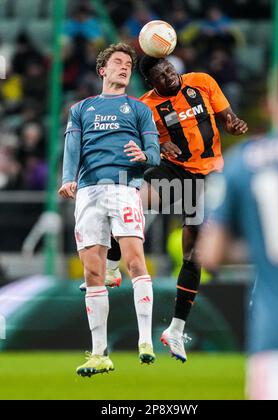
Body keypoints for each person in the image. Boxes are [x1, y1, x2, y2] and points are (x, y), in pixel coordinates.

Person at [102, 55, 248, 363]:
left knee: (193, 257)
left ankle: (176, 330)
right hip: (174, 171)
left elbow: (228, 119)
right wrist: (154, 145)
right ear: (152, 84)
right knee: (131, 197)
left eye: (170, 70)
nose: (170, 77)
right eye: (162, 76)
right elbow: (131, 144)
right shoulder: (146, 106)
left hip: (208, 179)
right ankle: (112, 264)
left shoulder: (202, 83)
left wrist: (234, 124)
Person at [198, 58, 278, 400]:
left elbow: (211, 254)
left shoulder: (245, 161)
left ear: (271, 105)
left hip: (277, 340)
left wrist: (265, 244)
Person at [59, 43, 160, 377]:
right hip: (88, 192)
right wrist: (67, 179)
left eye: (128, 64)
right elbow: (73, 146)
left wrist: (144, 156)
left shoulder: (139, 109)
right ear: (102, 70)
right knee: (92, 272)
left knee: (134, 261)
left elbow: (155, 154)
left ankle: (145, 341)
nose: (124, 67)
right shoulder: (82, 108)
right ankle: (100, 353)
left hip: (123, 189)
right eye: (117, 62)